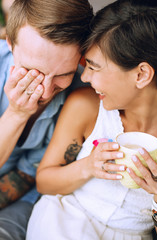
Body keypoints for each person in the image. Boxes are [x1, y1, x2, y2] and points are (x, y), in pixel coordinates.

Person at [26, 0, 157, 239]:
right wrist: (87, 166)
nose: (85, 77)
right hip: (64, 221)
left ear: (141, 74)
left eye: (94, 67)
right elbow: (44, 183)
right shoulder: (86, 107)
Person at [0, 0, 93, 239]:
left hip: (26, 197)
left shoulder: (83, 94)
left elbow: (26, 176)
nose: (46, 90)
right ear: (9, 43)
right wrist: (16, 114)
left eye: (63, 75)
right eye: (34, 72)